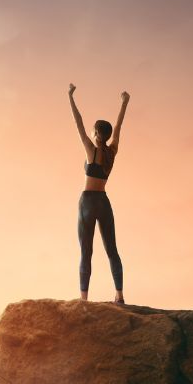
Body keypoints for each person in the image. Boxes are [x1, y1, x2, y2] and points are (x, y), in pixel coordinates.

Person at [68, 83, 129, 304]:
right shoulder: (112, 151)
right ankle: (119, 295)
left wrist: (70, 96)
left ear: (95, 134)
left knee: (86, 252)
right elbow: (119, 126)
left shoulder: (91, 151)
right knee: (112, 250)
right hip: (103, 202)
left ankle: (84, 299)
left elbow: (78, 122)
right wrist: (124, 103)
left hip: (87, 202)